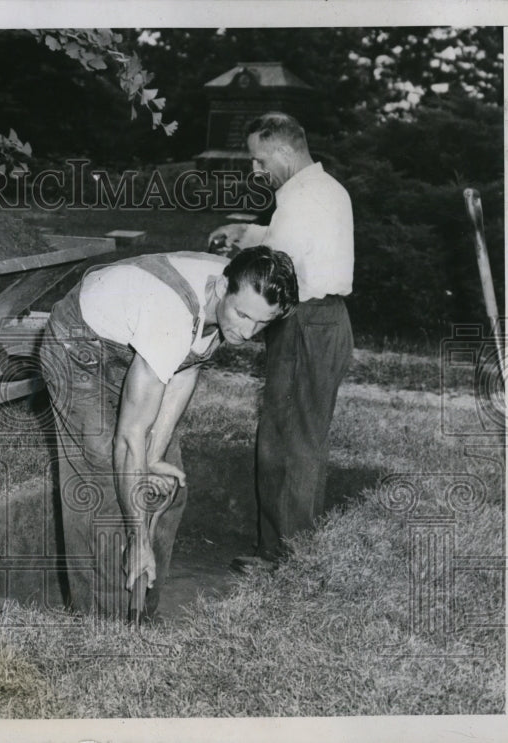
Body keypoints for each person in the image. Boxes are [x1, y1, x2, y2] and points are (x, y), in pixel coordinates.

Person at [39, 247, 299, 621]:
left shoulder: (234, 292)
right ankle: (101, 628)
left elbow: (187, 365)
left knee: (166, 487)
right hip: (75, 348)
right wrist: (137, 536)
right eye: (242, 315)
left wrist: (156, 456)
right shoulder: (170, 312)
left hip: (132, 345)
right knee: (103, 488)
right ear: (221, 287)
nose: (246, 332)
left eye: (261, 324)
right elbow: (129, 437)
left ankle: (140, 613)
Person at [208, 111, 354, 571]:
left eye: (259, 160)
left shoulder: (303, 198)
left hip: (307, 323)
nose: (256, 171)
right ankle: (288, 549)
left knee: (288, 438)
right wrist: (244, 232)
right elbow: (285, 242)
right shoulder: (319, 189)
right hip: (324, 320)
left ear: (286, 152)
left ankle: (283, 555)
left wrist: (229, 262)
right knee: (295, 433)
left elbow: (274, 267)